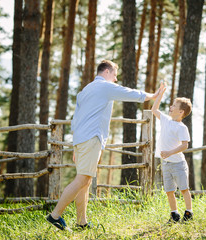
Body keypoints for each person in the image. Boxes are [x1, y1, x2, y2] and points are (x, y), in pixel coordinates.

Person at [46, 60, 161, 230]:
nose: (115, 79)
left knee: (85, 181)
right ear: (106, 72)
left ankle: (81, 222)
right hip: (92, 138)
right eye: (114, 75)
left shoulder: (84, 91)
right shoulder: (104, 86)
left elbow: (75, 120)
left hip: (82, 140)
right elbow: (128, 93)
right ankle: (55, 215)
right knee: (82, 179)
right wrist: (152, 95)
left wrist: (75, 145)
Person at [151, 83, 193, 223]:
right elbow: (154, 109)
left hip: (178, 164)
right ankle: (174, 214)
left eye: (174, 105)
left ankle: (189, 212)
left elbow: (185, 145)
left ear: (181, 112)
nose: (171, 106)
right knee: (169, 191)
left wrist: (170, 152)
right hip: (166, 163)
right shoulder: (166, 120)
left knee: (184, 189)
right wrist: (161, 94)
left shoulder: (182, 127)